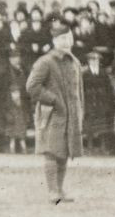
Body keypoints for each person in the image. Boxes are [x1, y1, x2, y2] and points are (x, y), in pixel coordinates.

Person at [27, 24, 84, 203]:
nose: (65, 42)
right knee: (51, 151)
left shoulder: (75, 61)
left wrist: (80, 110)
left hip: (71, 114)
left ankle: (60, 190)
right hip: (52, 114)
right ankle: (53, 192)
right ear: (54, 41)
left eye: (68, 38)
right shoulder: (45, 61)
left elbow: (79, 91)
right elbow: (32, 86)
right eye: (61, 39)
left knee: (65, 151)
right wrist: (54, 100)